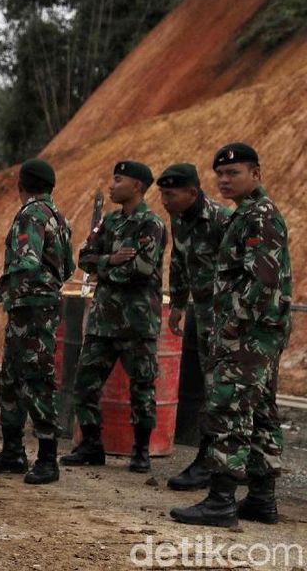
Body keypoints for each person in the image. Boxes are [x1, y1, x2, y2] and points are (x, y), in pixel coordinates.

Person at [171, 143, 292, 528]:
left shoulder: (259, 216)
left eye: (233, 173)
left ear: (256, 174)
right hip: (259, 333)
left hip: (248, 334)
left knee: (229, 409)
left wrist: (232, 323)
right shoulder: (246, 215)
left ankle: (221, 501)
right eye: (220, 174)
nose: (224, 180)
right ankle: (260, 498)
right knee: (260, 411)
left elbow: (263, 278)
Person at [60, 161, 165, 473]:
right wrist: (111, 260)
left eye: (118, 180)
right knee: (85, 385)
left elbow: (142, 269)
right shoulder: (109, 222)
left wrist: (106, 268)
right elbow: (85, 258)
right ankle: (91, 445)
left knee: (142, 390)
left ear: (136, 186)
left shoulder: (152, 224)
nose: (111, 185)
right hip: (103, 322)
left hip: (137, 324)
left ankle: (141, 452)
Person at [0, 158, 75, 485]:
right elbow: (69, 268)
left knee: (35, 379)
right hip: (37, 307)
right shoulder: (58, 217)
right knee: (13, 379)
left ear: (21, 185)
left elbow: (26, 261)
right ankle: (12, 453)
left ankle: (47, 459)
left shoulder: (30, 215)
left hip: (31, 308)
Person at [156, 163, 232, 491]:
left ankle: (212, 462)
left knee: (219, 388)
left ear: (192, 192)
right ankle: (215, 460)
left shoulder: (221, 219)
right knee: (206, 384)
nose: (163, 200)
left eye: (170, 194)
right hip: (201, 314)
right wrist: (177, 303)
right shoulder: (180, 218)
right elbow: (179, 260)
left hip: (226, 316)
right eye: (162, 193)